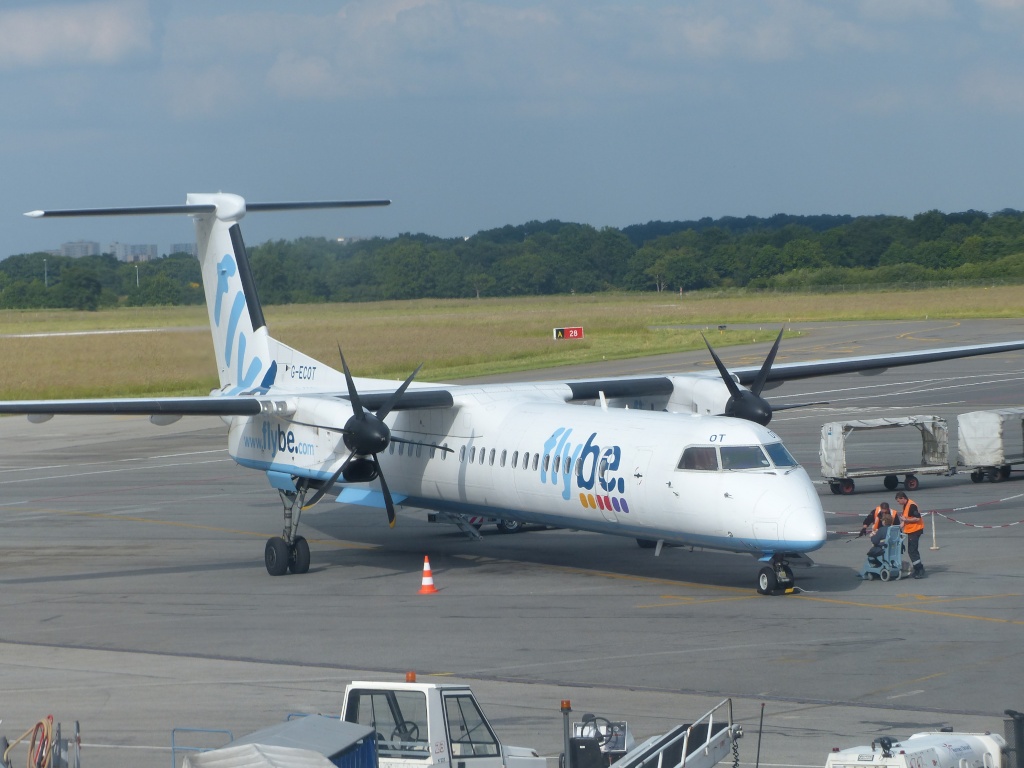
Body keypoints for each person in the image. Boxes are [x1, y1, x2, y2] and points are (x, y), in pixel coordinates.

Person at [894, 491, 926, 578]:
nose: (898, 503)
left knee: (912, 551)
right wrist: (899, 527)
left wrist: (906, 520)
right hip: (911, 530)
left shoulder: (911, 506)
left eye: (898, 501)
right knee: (912, 550)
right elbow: (906, 518)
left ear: (902, 498)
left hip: (915, 530)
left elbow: (917, 518)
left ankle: (919, 570)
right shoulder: (906, 505)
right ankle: (918, 568)